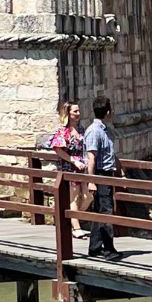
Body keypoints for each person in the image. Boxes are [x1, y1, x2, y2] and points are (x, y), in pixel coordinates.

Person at [82, 94, 120, 258]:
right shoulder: (94, 131)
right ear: (108, 112)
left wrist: (120, 170)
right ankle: (108, 248)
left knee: (100, 210)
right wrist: (92, 181)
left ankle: (95, 247)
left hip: (107, 173)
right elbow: (91, 157)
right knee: (105, 211)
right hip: (100, 174)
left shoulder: (105, 130)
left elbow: (110, 154)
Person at [50, 100, 89, 236]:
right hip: (70, 167)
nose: (78, 114)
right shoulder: (63, 131)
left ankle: (73, 219)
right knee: (73, 197)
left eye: (78, 111)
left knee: (88, 197)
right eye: (75, 111)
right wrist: (73, 160)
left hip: (82, 167)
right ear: (68, 113)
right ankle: (76, 228)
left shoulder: (81, 129)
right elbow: (57, 149)